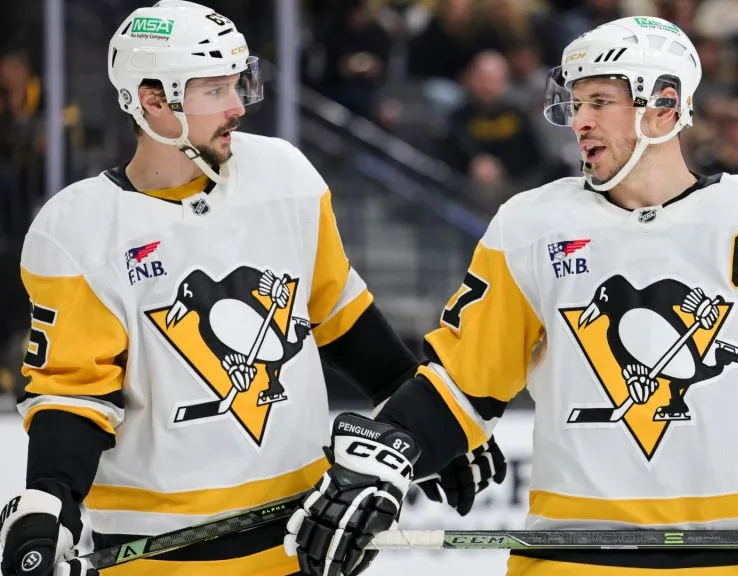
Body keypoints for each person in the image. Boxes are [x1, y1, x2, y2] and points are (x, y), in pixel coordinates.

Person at [284, 16, 738, 576]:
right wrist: (388, 456)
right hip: (573, 560)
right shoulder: (531, 225)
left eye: (601, 100)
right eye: (576, 102)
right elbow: (461, 385)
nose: (581, 121)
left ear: (665, 108)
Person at [0, 2, 503, 575]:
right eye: (214, 90)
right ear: (153, 99)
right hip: (163, 557)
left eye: (237, 84)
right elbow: (74, 397)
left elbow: (340, 315)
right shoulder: (79, 229)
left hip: (308, 539)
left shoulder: (283, 174)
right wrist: (50, 500)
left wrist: (422, 419)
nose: (238, 105)